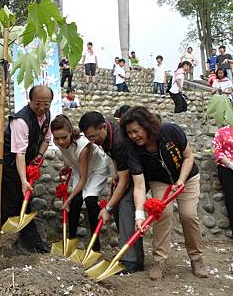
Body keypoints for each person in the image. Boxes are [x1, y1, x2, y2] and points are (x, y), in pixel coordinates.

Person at [120, 106, 207, 280]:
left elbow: (189, 157)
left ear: (147, 125)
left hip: (187, 177)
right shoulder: (133, 150)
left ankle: (196, 258)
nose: (133, 136)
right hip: (161, 181)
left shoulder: (170, 131)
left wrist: (181, 180)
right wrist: (139, 216)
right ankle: (159, 261)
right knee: (162, 214)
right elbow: (139, 185)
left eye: (136, 131)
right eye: (129, 133)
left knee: (188, 215)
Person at [79, 111, 144, 273]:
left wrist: (107, 208)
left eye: (93, 137)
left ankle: (132, 261)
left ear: (103, 127)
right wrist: (118, 172)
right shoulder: (105, 130)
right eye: (88, 138)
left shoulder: (120, 141)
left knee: (126, 204)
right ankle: (130, 254)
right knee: (119, 207)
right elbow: (114, 157)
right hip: (130, 168)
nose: (92, 141)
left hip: (144, 170)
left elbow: (125, 182)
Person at [0, 85, 53, 253]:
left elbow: (46, 139)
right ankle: (10, 244)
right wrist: (23, 181)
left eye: (46, 104)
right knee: (11, 202)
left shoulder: (47, 115)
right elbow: (19, 153)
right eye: (38, 104)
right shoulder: (21, 120)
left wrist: (39, 156)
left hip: (27, 162)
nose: (42, 108)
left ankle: (30, 243)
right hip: (9, 164)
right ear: (30, 101)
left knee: (23, 202)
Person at [51, 115, 109, 248]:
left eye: (64, 137)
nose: (60, 141)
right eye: (57, 138)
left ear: (71, 132)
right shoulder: (58, 141)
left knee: (90, 201)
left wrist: (67, 199)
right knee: (76, 201)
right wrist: (66, 166)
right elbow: (67, 153)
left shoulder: (84, 147)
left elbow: (83, 179)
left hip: (96, 169)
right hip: (79, 168)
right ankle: (71, 240)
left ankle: (95, 246)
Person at [214, 125, 233, 238]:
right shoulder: (221, 132)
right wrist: (230, 164)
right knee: (231, 197)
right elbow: (218, 153)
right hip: (227, 169)